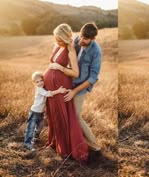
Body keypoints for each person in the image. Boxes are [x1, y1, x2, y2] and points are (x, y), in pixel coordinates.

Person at [49, 22, 102, 151]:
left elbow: (93, 78)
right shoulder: (77, 39)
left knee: (76, 115)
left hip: (80, 87)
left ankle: (94, 146)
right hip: (67, 82)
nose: (81, 40)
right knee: (63, 113)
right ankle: (68, 142)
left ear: (93, 39)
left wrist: (74, 92)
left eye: (86, 39)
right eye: (81, 36)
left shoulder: (96, 52)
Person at [43, 23, 88, 164]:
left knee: (63, 117)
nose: (57, 41)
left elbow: (75, 73)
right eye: (56, 38)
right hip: (52, 90)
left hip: (62, 88)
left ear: (66, 37)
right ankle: (56, 143)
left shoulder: (71, 49)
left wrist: (59, 68)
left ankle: (67, 149)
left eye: (60, 39)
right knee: (54, 115)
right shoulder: (56, 46)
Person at [24, 71, 66, 151]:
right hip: (34, 112)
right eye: (37, 82)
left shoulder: (43, 88)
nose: (40, 83)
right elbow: (48, 94)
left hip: (41, 113)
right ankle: (27, 144)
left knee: (40, 127)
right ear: (34, 83)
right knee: (31, 128)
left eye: (41, 80)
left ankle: (35, 138)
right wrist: (58, 91)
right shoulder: (39, 89)